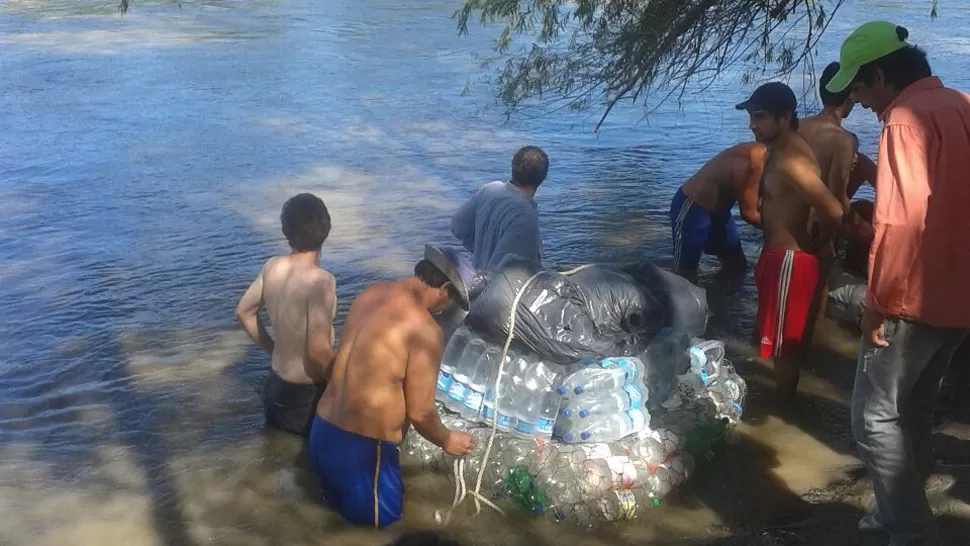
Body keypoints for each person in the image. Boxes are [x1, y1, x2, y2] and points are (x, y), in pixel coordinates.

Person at [827, 20, 970, 544]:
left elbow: (900, 222)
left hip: (915, 297)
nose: (859, 101)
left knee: (875, 420)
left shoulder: (904, 122)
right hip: (960, 292)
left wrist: (877, 303)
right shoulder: (960, 102)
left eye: (860, 88)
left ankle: (910, 532)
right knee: (914, 409)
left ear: (881, 76)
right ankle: (895, 514)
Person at [309, 246, 476, 528]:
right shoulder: (424, 330)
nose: (448, 309)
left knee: (336, 528)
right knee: (383, 533)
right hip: (362, 454)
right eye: (453, 301)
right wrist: (448, 440)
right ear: (444, 288)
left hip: (321, 432)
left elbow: (347, 363)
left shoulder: (371, 293)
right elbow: (421, 413)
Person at [735, 82, 844, 404]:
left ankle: (784, 414)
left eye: (760, 116)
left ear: (785, 118)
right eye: (751, 117)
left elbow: (833, 209)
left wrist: (822, 239)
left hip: (789, 261)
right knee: (773, 341)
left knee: (784, 349)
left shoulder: (791, 160)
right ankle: (778, 409)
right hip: (778, 257)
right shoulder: (780, 150)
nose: (753, 124)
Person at [235, 193, 336, 437]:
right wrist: (347, 385)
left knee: (277, 456)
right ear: (326, 229)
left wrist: (273, 350)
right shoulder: (321, 282)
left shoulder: (272, 266)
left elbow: (243, 312)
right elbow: (318, 352)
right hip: (306, 396)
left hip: (275, 385)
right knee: (307, 467)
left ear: (286, 231)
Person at [799, 62, 878, 325]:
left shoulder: (797, 128)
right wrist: (862, 231)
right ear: (850, 96)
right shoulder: (844, 140)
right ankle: (815, 350)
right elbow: (835, 200)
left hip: (785, 228)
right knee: (815, 302)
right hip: (818, 234)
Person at [669, 142, 767, 275]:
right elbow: (749, 213)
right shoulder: (754, 159)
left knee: (737, 266)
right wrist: (781, 232)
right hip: (692, 206)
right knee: (685, 271)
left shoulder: (778, 158)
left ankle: (725, 294)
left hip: (720, 211)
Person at [451, 146, 549, 271]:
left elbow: (457, 226)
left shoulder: (490, 189)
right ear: (543, 178)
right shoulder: (526, 216)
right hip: (495, 288)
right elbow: (506, 270)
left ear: (513, 167)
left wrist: (483, 249)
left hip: (475, 277)